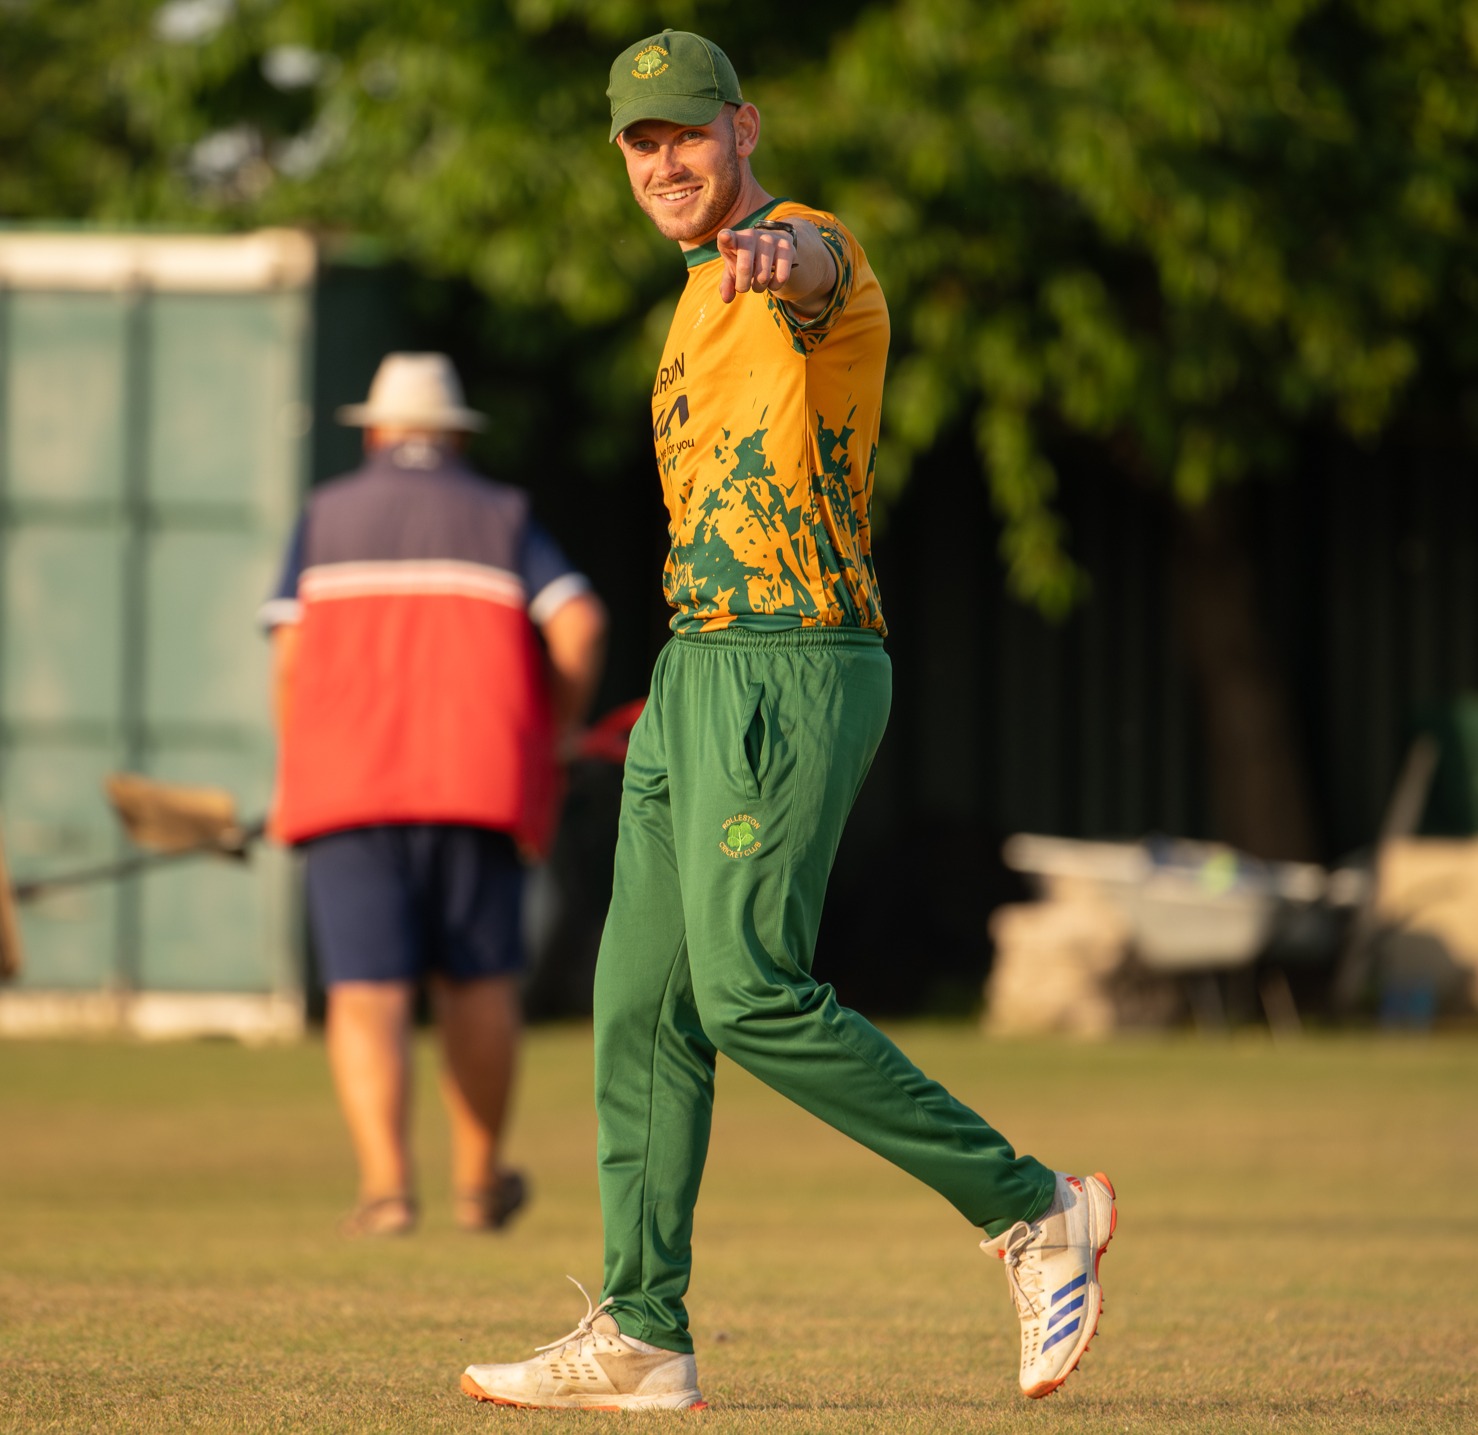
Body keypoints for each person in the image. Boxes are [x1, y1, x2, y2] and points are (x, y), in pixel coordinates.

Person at [461, 32, 1114, 1409]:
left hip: (792, 655)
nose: (664, 162)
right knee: (639, 1006)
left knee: (748, 988)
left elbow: (812, 272)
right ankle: (642, 1332)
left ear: (742, 129)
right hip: (696, 668)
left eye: (686, 135)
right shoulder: (688, 301)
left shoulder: (808, 249)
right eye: (640, 143)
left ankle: (1031, 1206)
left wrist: (781, 257)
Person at [262, 352, 607, 1238]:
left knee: (366, 991)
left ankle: (386, 1190)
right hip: (478, 781)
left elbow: (291, 658)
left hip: (348, 785)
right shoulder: (504, 514)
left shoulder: (324, 516)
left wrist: (297, 768)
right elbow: (579, 623)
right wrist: (555, 728)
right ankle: (478, 1182)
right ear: (456, 437)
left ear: (375, 433)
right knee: (478, 980)